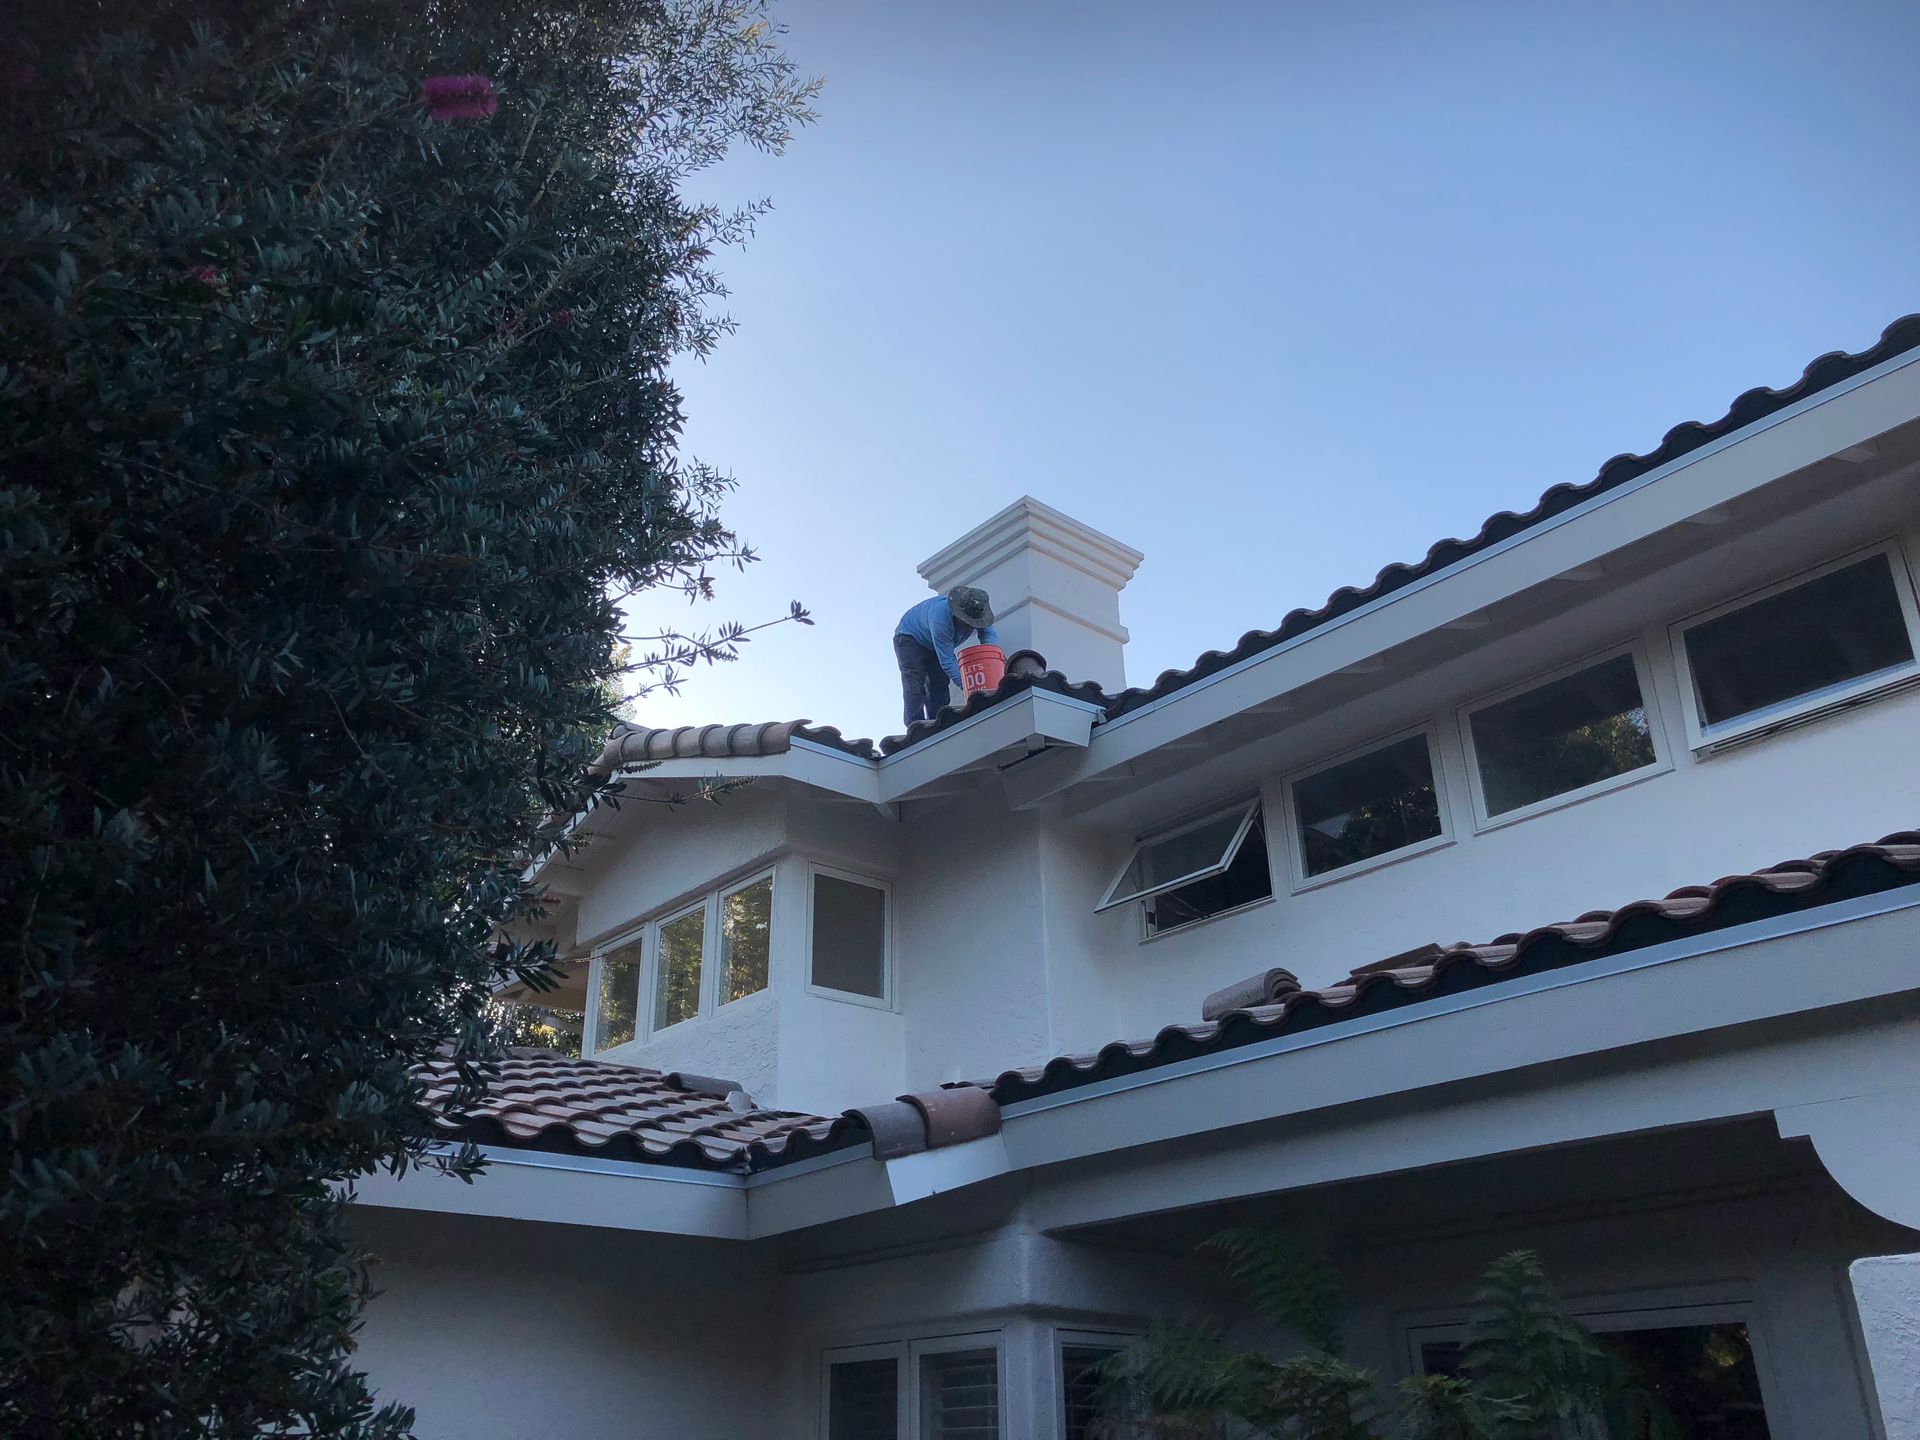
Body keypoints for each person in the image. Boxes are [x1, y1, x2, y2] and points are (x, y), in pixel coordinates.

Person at [894, 586, 999, 726]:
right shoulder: (940, 619)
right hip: (909, 637)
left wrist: (994, 664)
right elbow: (948, 661)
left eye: (972, 624)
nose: (969, 627)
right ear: (957, 614)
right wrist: (969, 687)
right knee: (915, 680)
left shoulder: (979, 612)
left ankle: (938, 723)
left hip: (932, 642)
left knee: (940, 683)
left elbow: (989, 640)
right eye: (966, 622)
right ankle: (915, 725)